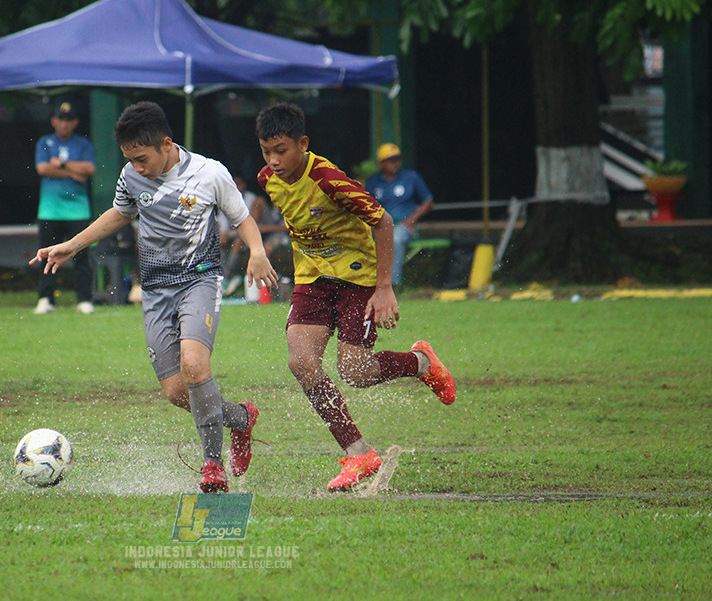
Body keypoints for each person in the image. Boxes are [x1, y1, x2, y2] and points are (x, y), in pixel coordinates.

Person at [31, 101, 278, 493]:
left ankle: (212, 465)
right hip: (155, 291)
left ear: (166, 143)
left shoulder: (209, 173)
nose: (137, 168)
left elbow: (242, 218)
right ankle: (241, 419)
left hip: (200, 281)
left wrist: (258, 251)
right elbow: (118, 214)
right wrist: (72, 246)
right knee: (178, 392)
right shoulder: (131, 176)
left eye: (142, 159)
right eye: (130, 160)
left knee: (195, 367)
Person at [254, 102, 454, 492]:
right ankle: (359, 452)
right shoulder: (267, 179)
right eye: (266, 151)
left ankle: (421, 362)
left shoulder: (328, 178)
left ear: (303, 144)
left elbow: (382, 220)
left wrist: (384, 288)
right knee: (302, 363)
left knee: (356, 372)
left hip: (357, 279)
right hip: (312, 278)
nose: (274, 161)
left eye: (281, 150)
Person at [33, 101, 98, 315]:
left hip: (77, 210)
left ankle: (84, 299)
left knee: (81, 256)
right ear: (53, 121)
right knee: (46, 256)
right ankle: (45, 298)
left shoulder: (83, 144)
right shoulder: (45, 141)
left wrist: (61, 164)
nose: (64, 123)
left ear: (75, 122)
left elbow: (89, 169)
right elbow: (42, 168)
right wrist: (72, 173)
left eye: (69, 120)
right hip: (49, 210)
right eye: (60, 119)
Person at [364, 143, 434, 288]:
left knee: (395, 238)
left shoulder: (411, 177)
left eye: (397, 158)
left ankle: (391, 285)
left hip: (404, 225)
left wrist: (411, 221)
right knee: (362, 240)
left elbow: (428, 201)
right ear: (382, 163)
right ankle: (366, 285)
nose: (395, 162)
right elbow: (365, 206)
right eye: (390, 159)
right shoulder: (373, 182)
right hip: (380, 226)